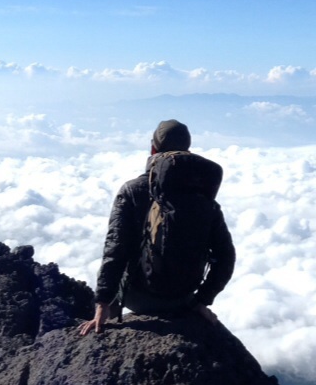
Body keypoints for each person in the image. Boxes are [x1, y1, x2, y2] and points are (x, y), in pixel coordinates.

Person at [79, 119, 235, 335]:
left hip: (139, 300)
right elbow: (226, 257)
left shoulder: (133, 190)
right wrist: (202, 301)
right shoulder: (203, 196)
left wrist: (102, 304)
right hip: (184, 299)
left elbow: (115, 249)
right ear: (187, 150)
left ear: (153, 148)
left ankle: (113, 318)